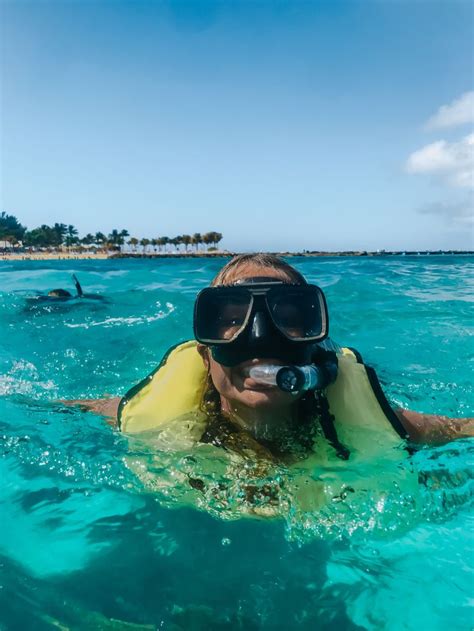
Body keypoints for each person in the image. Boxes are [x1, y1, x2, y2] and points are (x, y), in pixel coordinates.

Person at [76, 253, 472, 452]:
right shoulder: (146, 419)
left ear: (316, 347)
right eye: (229, 320)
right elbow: (69, 407)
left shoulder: (394, 426)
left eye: (291, 317)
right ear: (204, 356)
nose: (261, 338)